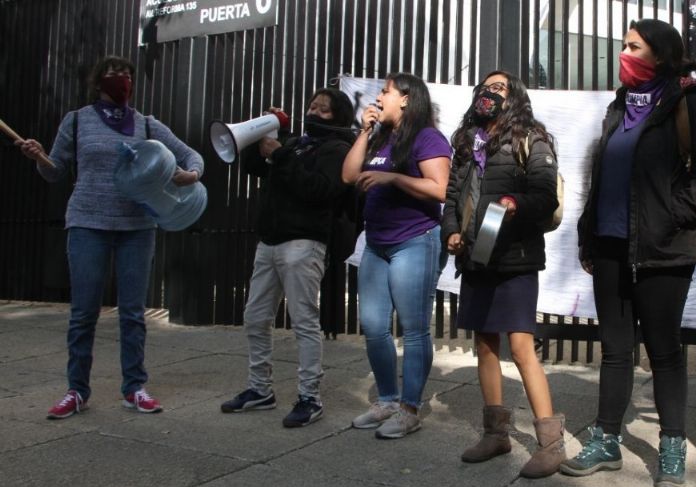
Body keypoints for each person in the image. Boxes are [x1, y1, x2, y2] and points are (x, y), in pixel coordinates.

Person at [562, 19, 696, 487]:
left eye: (633, 46)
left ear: (660, 54)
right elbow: (604, 179)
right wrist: (589, 236)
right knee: (615, 350)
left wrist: (671, 214)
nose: (624, 53)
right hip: (611, 246)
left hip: (664, 249)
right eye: (624, 45)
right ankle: (607, 439)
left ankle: (672, 445)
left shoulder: (689, 104)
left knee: (664, 351)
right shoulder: (620, 106)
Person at [16, 56, 204, 419]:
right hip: (87, 223)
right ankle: (76, 390)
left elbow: (191, 155)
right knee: (83, 313)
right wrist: (39, 158)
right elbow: (55, 172)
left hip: (136, 228)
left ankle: (134, 388)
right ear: (98, 81)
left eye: (128, 75)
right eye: (115, 74)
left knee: (133, 313)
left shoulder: (147, 124)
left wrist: (191, 174)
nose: (123, 79)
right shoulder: (76, 120)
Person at [441, 71, 565, 478]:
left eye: (500, 88)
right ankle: (496, 434)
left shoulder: (532, 137)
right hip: (476, 260)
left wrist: (515, 203)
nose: (489, 93)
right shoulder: (467, 140)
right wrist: (453, 233)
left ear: (515, 99)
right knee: (485, 344)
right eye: (486, 87)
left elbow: (545, 194)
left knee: (522, 345)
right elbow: (452, 197)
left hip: (515, 256)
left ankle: (551, 444)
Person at [219, 88, 356, 428]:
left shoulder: (338, 149)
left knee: (304, 323)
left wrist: (280, 155)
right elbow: (253, 166)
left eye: (323, 109)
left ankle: (310, 397)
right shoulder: (295, 143)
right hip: (270, 241)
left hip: (304, 244)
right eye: (312, 105)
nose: (314, 111)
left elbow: (319, 190)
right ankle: (259, 389)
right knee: (255, 317)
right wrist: (264, 132)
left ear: (337, 117)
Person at [341, 73, 451, 439]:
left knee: (414, 329)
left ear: (406, 99)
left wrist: (394, 180)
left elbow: (439, 189)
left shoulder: (427, 137)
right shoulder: (381, 138)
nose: (379, 97)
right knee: (373, 326)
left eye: (386, 91)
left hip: (414, 240)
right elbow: (348, 176)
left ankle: (409, 408)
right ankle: (387, 399)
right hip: (377, 242)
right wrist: (364, 132)